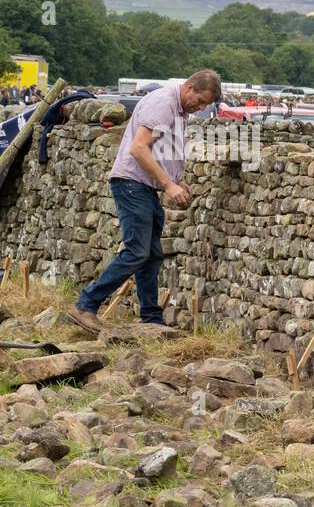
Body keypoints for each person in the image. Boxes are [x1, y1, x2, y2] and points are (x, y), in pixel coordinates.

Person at [65, 70, 222, 334]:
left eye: (206, 105)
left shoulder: (178, 110)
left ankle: (151, 318)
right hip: (132, 184)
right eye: (201, 100)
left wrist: (175, 179)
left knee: (151, 255)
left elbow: (159, 151)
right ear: (190, 87)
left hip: (143, 187)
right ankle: (85, 305)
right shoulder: (163, 103)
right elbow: (138, 148)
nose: (201, 107)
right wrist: (168, 184)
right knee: (137, 251)